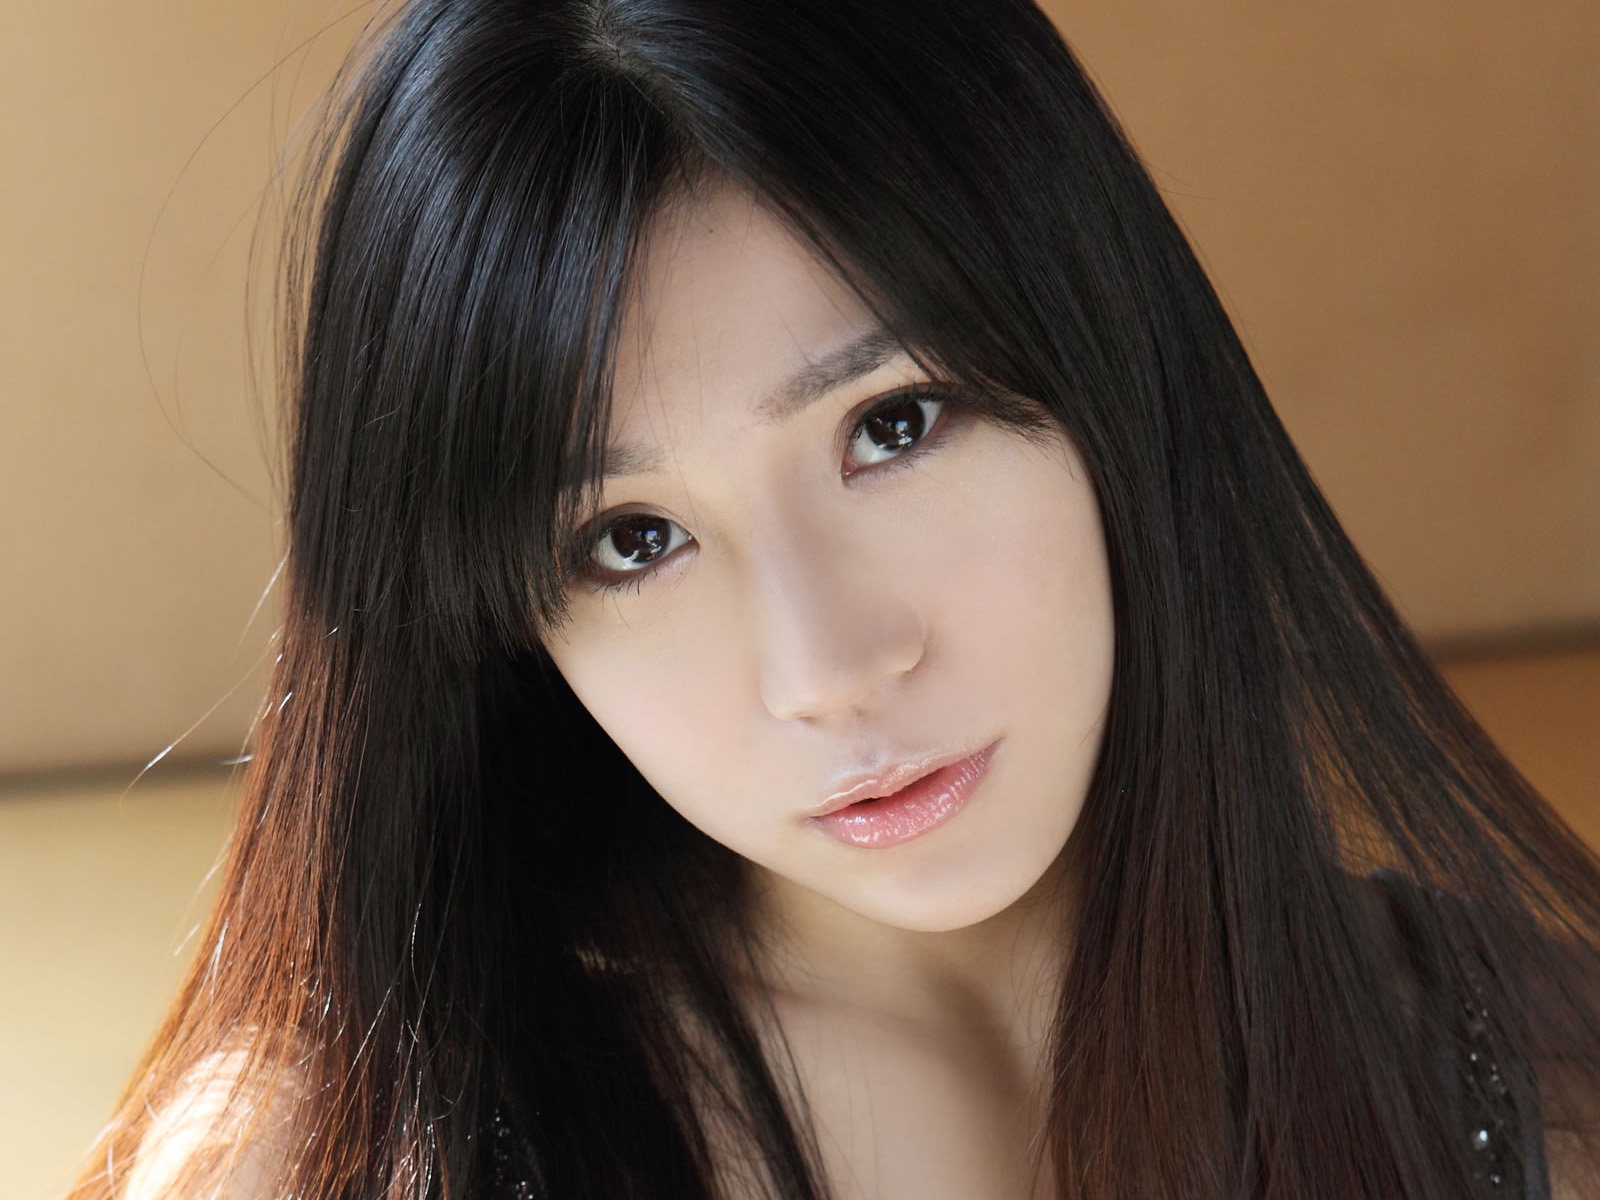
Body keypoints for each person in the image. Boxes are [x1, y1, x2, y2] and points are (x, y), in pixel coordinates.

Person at [71, 1, 1600, 1197]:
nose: (829, 667)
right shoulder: (348, 1159)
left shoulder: (1520, 1076)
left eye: (894, 426)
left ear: (1110, 373)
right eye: (631, 541)